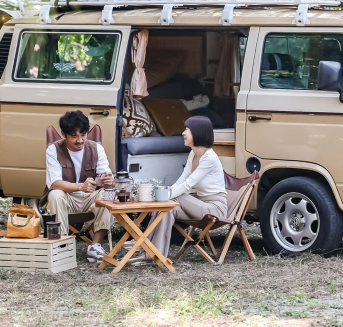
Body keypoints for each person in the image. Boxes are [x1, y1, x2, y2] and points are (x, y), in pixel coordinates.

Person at [137, 116, 227, 261]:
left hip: (214, 209)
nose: (183, 133)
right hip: (198, 205)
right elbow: (181, 180)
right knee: (165, 210)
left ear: (197, 133)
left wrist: (162, 197)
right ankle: (153, 253)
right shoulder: (193, 154)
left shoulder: (209, 158)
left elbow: (187, 185)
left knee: (176, 196)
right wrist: (163, 198)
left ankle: (146, 248)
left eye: (187, 130)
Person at [41, 111, 115, 263]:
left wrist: (109, 181)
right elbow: (55, 183)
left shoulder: (96, 148)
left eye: (83, 134)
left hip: (90, 198)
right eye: (74, 136)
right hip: (67, 198)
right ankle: (59, 244)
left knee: (108, 194)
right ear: (63, 134)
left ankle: (96, 245)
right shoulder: (53, 150)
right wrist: (80, 186)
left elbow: (105, 176)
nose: (80, 140)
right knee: (55, 194)